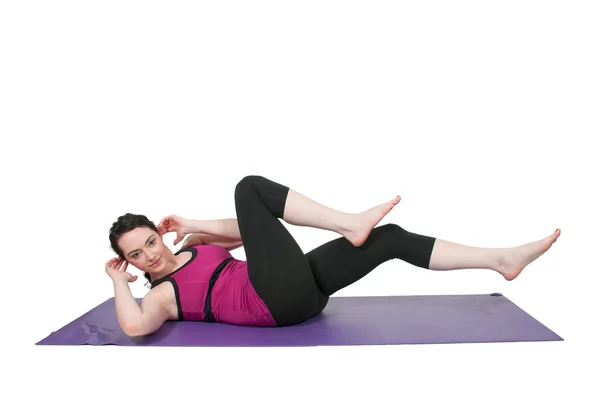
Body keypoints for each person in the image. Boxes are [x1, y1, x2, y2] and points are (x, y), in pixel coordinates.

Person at [106, 175, 561, 337]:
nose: (150, 255)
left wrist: (192, 225)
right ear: (132, 263)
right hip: (271, 302)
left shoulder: (194, 246)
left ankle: (500, 259)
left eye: (150, 241)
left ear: (159, 237)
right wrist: (117, 281)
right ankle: (348, 221)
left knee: (390, 238)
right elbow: (132, 326)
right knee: (249, 187)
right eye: (136, 255)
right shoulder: (162, 297)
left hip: (298, 290)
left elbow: (252, 231)